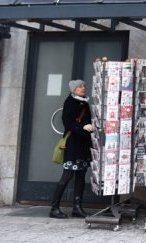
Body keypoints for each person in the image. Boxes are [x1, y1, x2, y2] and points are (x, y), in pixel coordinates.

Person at [50, 80, 94, 219]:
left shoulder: (84, 103)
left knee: (81, 175)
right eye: (80, 86)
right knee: (67, 175)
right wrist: (82, 128)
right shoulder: (69, 102)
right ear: (74, 89)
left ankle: (77, 208)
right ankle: (54, 208)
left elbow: (88, 120)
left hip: (84, 144)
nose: (83, 88)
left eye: (84, 86)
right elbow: (67, 123)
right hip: (73, 144)